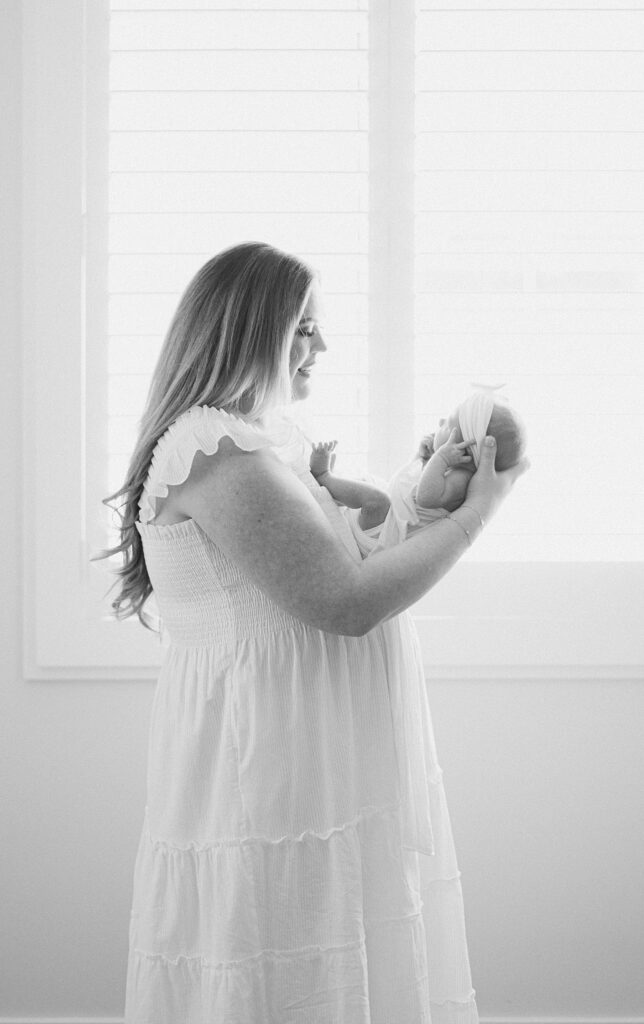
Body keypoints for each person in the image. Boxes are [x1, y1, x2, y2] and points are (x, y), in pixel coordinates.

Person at [93, 241, 528, 1023]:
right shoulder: (214, 451)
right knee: (273, 968)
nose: (321, 346)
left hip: (311, 755)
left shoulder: (268, 442)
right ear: (248, 330)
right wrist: (473, 518)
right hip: (271, 766)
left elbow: (341, 553)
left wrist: (418, 491)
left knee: (322, 969)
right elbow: (344, 601)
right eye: (304, 327)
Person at [309, 387, 527, 557]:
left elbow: (425, 496)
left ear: (467, 448)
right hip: (388, 523)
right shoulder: (452, 470)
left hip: (385, 540)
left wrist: (439, 459)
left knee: (376, 499)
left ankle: (324, 476)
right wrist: (422, 458)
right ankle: (335, 495)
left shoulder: (461, 480)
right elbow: (408, 485)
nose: (440, 422)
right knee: (373, 485)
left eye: (448, 425)